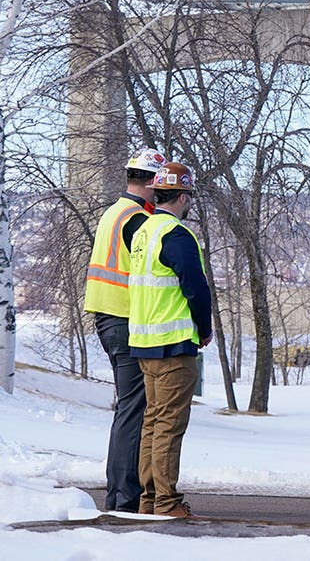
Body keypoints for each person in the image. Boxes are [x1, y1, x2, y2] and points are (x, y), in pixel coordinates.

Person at [84, 148, 168, 513]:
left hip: (109, 317)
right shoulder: (136, 219)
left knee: (129, 408)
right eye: (160, 182)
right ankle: (124, 496)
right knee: (135, 410)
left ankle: (119, 491)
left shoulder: (115, 212)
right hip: (124, 320)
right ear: (151, 181)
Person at [127, 162, 212, 518]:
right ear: (181, 196)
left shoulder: (143, 232)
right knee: (169, 426)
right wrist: (204, 327)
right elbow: (195, 287)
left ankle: (148, 499)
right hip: (174, 345)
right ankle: (166, 501)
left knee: (152, 421)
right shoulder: (176, 235)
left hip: (145, 343)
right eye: (188, 196)